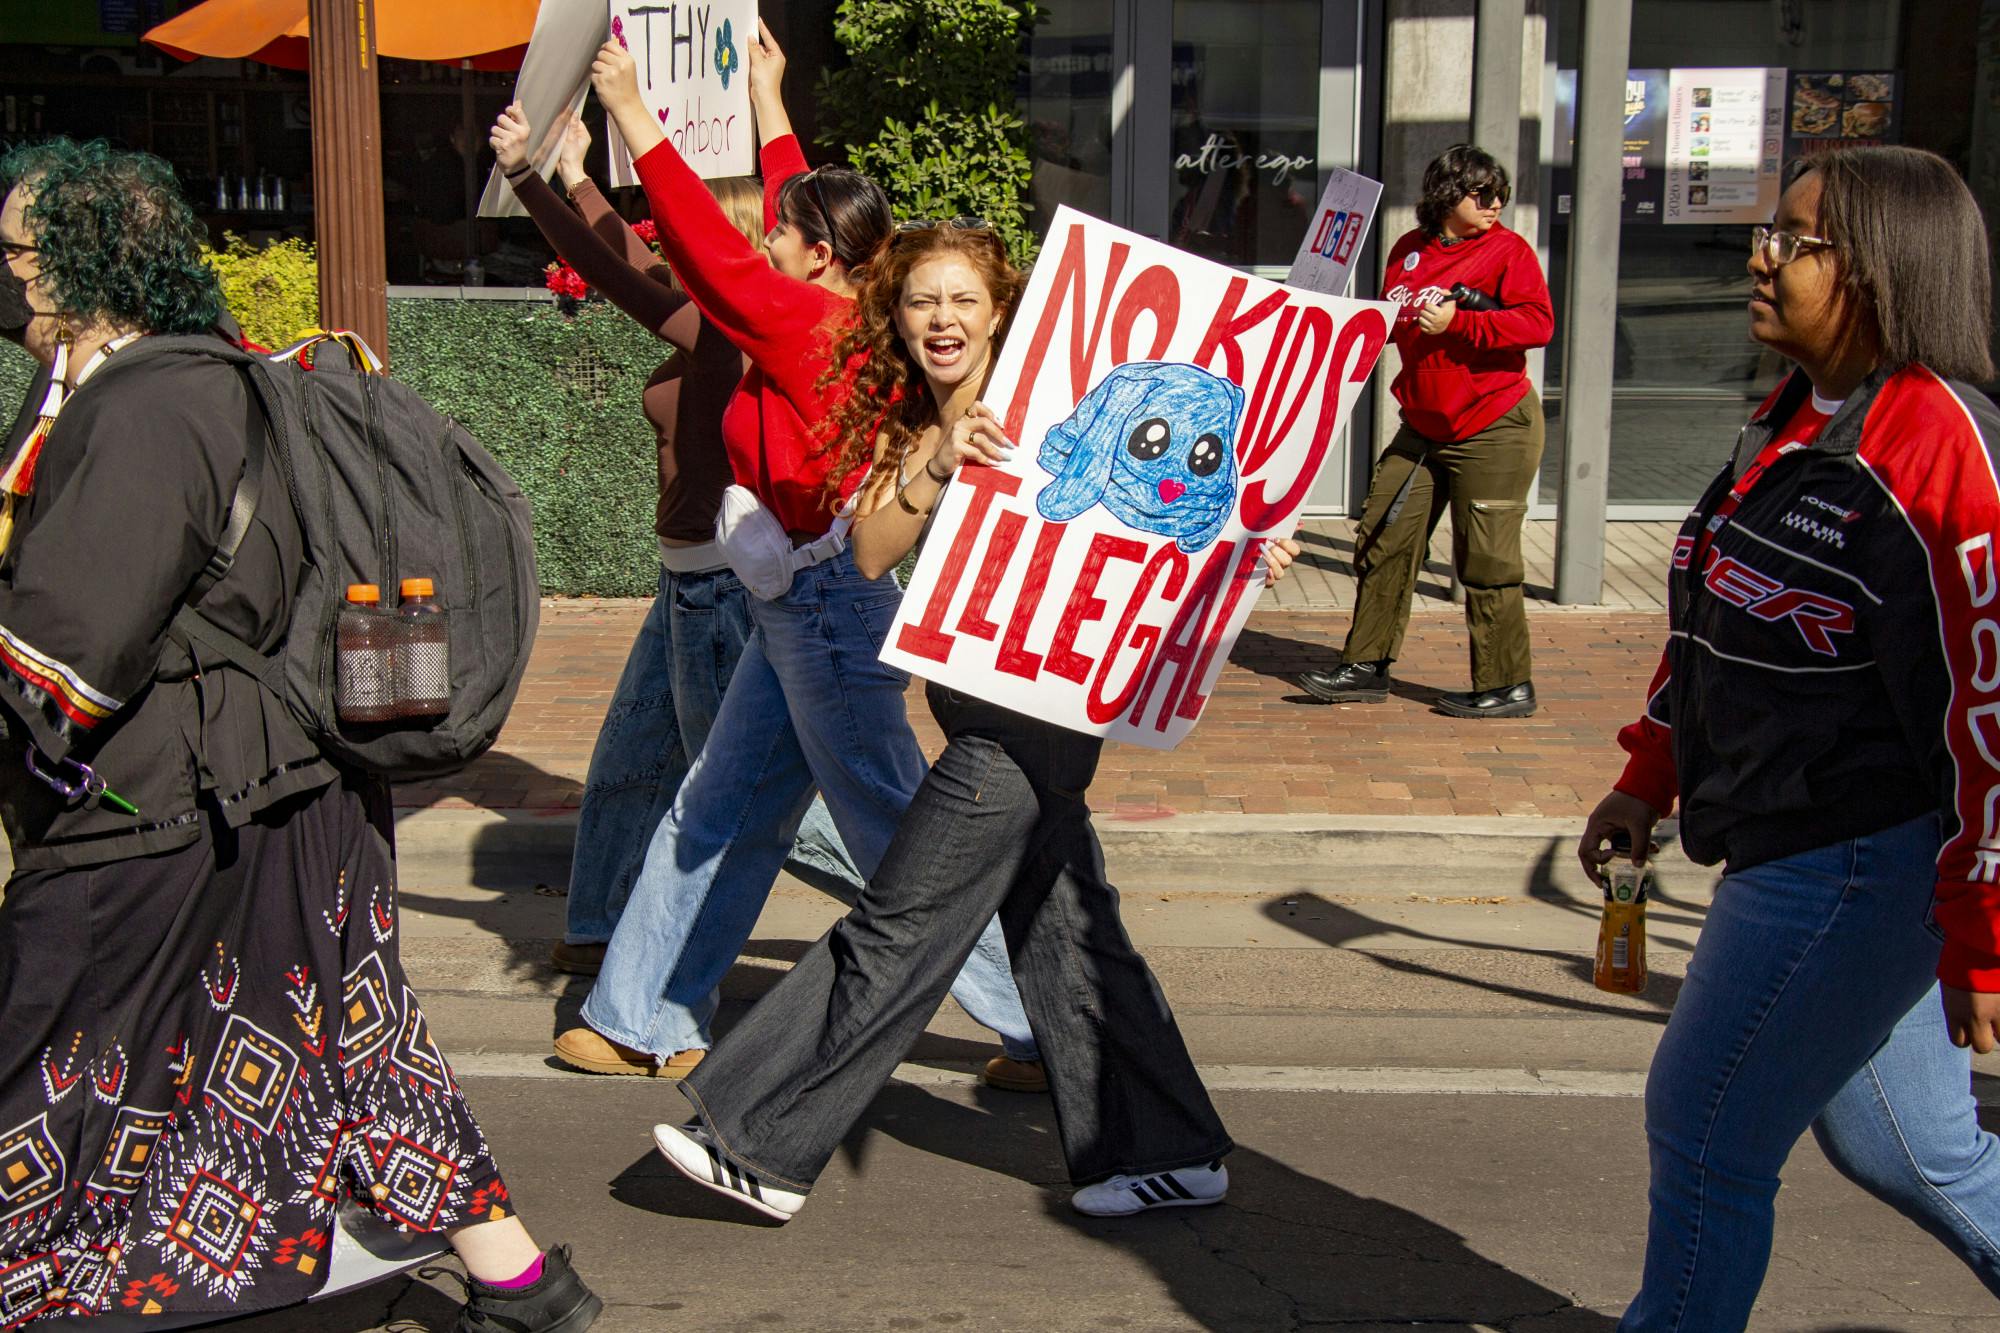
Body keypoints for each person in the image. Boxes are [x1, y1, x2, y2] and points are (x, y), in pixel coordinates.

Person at [0, 140, 598, 1331]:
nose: (8, 277)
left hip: (173, 805)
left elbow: (67, 650)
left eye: (19, 252)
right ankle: (524, 1284)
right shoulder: (188, 377)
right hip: (288, 793)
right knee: (351, 1040)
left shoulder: (150, 406)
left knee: (45, 1041)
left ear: (79, 267)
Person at [648, 220, 1304, 1222]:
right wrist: (940, 460)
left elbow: (1162, 509)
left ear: (999, 310)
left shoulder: (1065, 403)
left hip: (1024, 725)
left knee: (895, 927)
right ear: (898, 318)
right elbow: (867, 550)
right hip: (982, 709)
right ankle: (1167, 1152)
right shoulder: (920, 425)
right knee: (1070, 932)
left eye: (961, 299)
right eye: (921, 301)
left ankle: (758, 1142)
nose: (941, 318)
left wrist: (1248, 534)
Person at [552, 28, 1042, 1085]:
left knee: (900, 839)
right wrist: (770, 97)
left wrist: (636, 113)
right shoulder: (841, 301)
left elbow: (707, 248)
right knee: (716, 807)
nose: (765, 241)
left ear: (815, 254)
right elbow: (798, 206)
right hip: (801, 604)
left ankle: (1049, 1020)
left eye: (782, 236)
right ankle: (640, 1014)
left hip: (821, 609)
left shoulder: (794, 322)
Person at [1577, 146, 2000, 1330]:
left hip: (1854, 857)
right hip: (1786, 842)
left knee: (1703, 1128)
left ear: (1876, 266)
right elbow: (1711, 616)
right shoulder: (1792, 413)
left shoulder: (1941, 450)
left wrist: (1982, 939)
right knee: (1906, 1153)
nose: (1756, 256)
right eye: (1766, 230)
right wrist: (1644, 774)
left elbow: (1989, 717)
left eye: (1794, 240)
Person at [486, 103, 865, 1000]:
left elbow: (620, 278)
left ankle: (937, 902)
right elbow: (640, 263)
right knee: (628, 759)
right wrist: (579, 173)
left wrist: (533, 183)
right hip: (686, 587)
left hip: (724, 597)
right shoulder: (714, 321)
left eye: (774, 229)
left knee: (759, 805)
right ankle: (598, 927)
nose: (770, 237)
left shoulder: (736, 334)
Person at [1296, 144, 1552, 718]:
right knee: (1385, 534)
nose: (1494, 203)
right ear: (1446, 197)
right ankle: (1366, 665)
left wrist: (1462, 322)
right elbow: (1394, 319)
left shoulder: (1508, 251)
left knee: (1486, 561)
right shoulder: (1409, 251)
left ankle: (1506, 684)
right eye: (1480, 193)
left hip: (1494, 424)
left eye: (1499, 193)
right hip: (1424, 423)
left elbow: (1538, 322)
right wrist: (1337, 327)